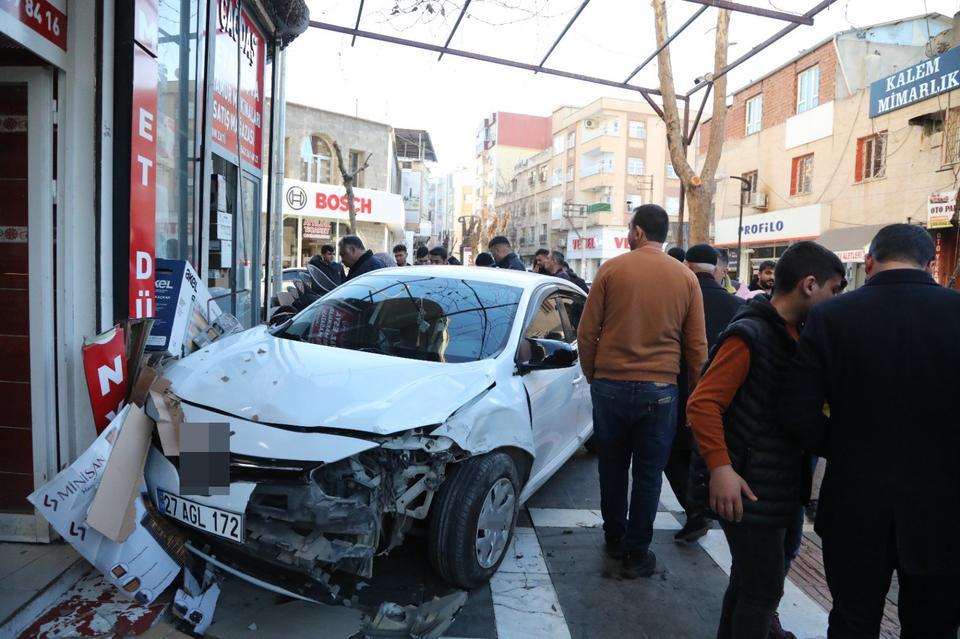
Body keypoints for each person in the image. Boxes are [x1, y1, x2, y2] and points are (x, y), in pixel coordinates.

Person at [780, 224, 960, 638]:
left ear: (869, 261)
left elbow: (798, 412)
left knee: (851, 620)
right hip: (943, 508)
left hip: (855, 501)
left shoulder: (831, 315)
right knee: (934, 625)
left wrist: (845, 447)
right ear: (930, 264)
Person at [686, 242, 845, 639]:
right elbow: (703, 404)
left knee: (748, 584)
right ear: (810, 285)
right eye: (835, 289)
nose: (837, 299)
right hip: (747, 486)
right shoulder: (752, 334)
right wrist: (721, 468)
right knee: (763, 589)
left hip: (773, 485)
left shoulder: (794, 333)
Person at [577, 204, 708, 579]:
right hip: (661, 390)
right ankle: (637, 554)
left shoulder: (611, 269)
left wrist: (594, 374)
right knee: (649, 475)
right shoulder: (685, 278)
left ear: (637, 232)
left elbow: (586, 334)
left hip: (610, 386)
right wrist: (696, 398)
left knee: (612, 468)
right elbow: (697, 349)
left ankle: (614, 537)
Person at [665, 244, 744, 544]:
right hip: (727, 397)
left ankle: (696, 510)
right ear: (717, 269)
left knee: (674, 456)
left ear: (686, 265)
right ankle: (716, 507)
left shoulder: (678, 298)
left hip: (682, 391)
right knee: (716, 454)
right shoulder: (736, 305)